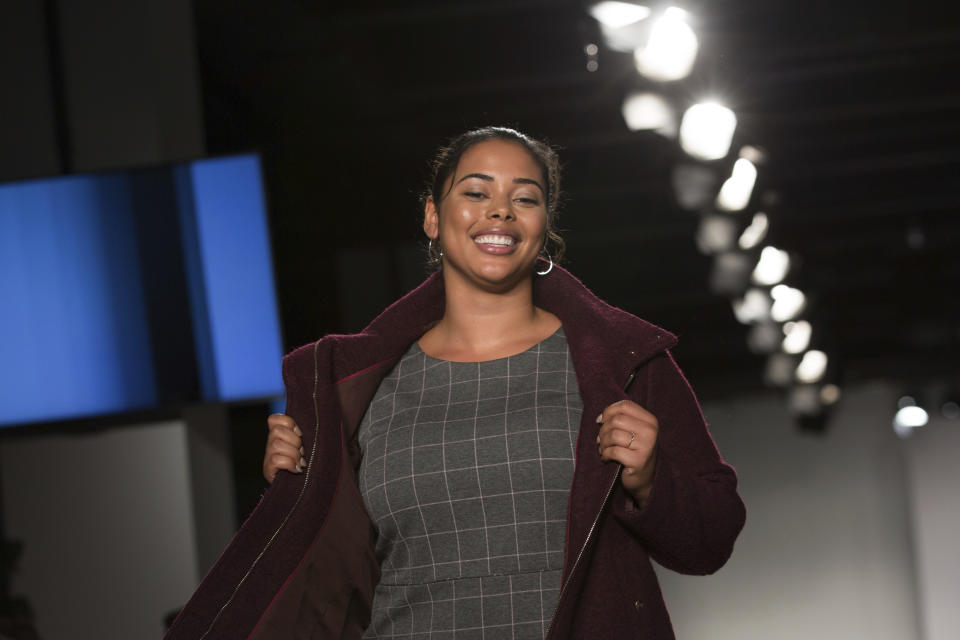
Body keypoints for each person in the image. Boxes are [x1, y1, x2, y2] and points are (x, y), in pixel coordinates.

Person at [165, 127, 745, 640]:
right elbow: (326, 579)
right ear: (432, 218)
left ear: (544, 229)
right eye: (475, 192)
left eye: (525, 198)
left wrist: (649, 481)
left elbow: (711, 539)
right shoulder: (355, 388)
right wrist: (298, 489)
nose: (501, 211)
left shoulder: (621, 365)